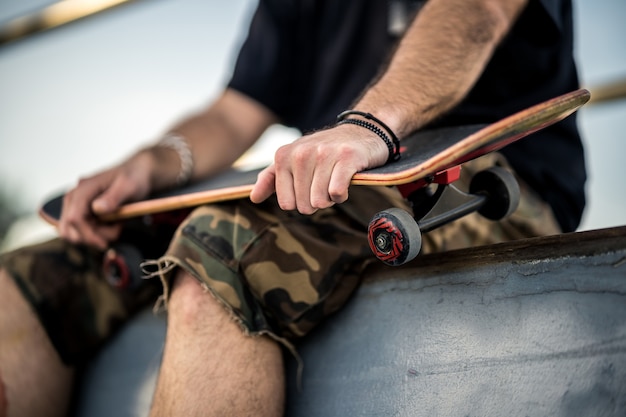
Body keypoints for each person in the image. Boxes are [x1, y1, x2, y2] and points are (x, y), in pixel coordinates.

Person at [0, 0, 586, 416]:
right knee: (25, 282)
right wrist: (158, 161)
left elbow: (477, 12)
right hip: (328, 185)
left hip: (488, 178)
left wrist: (370, 124)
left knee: (223, 255)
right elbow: (233, 115)